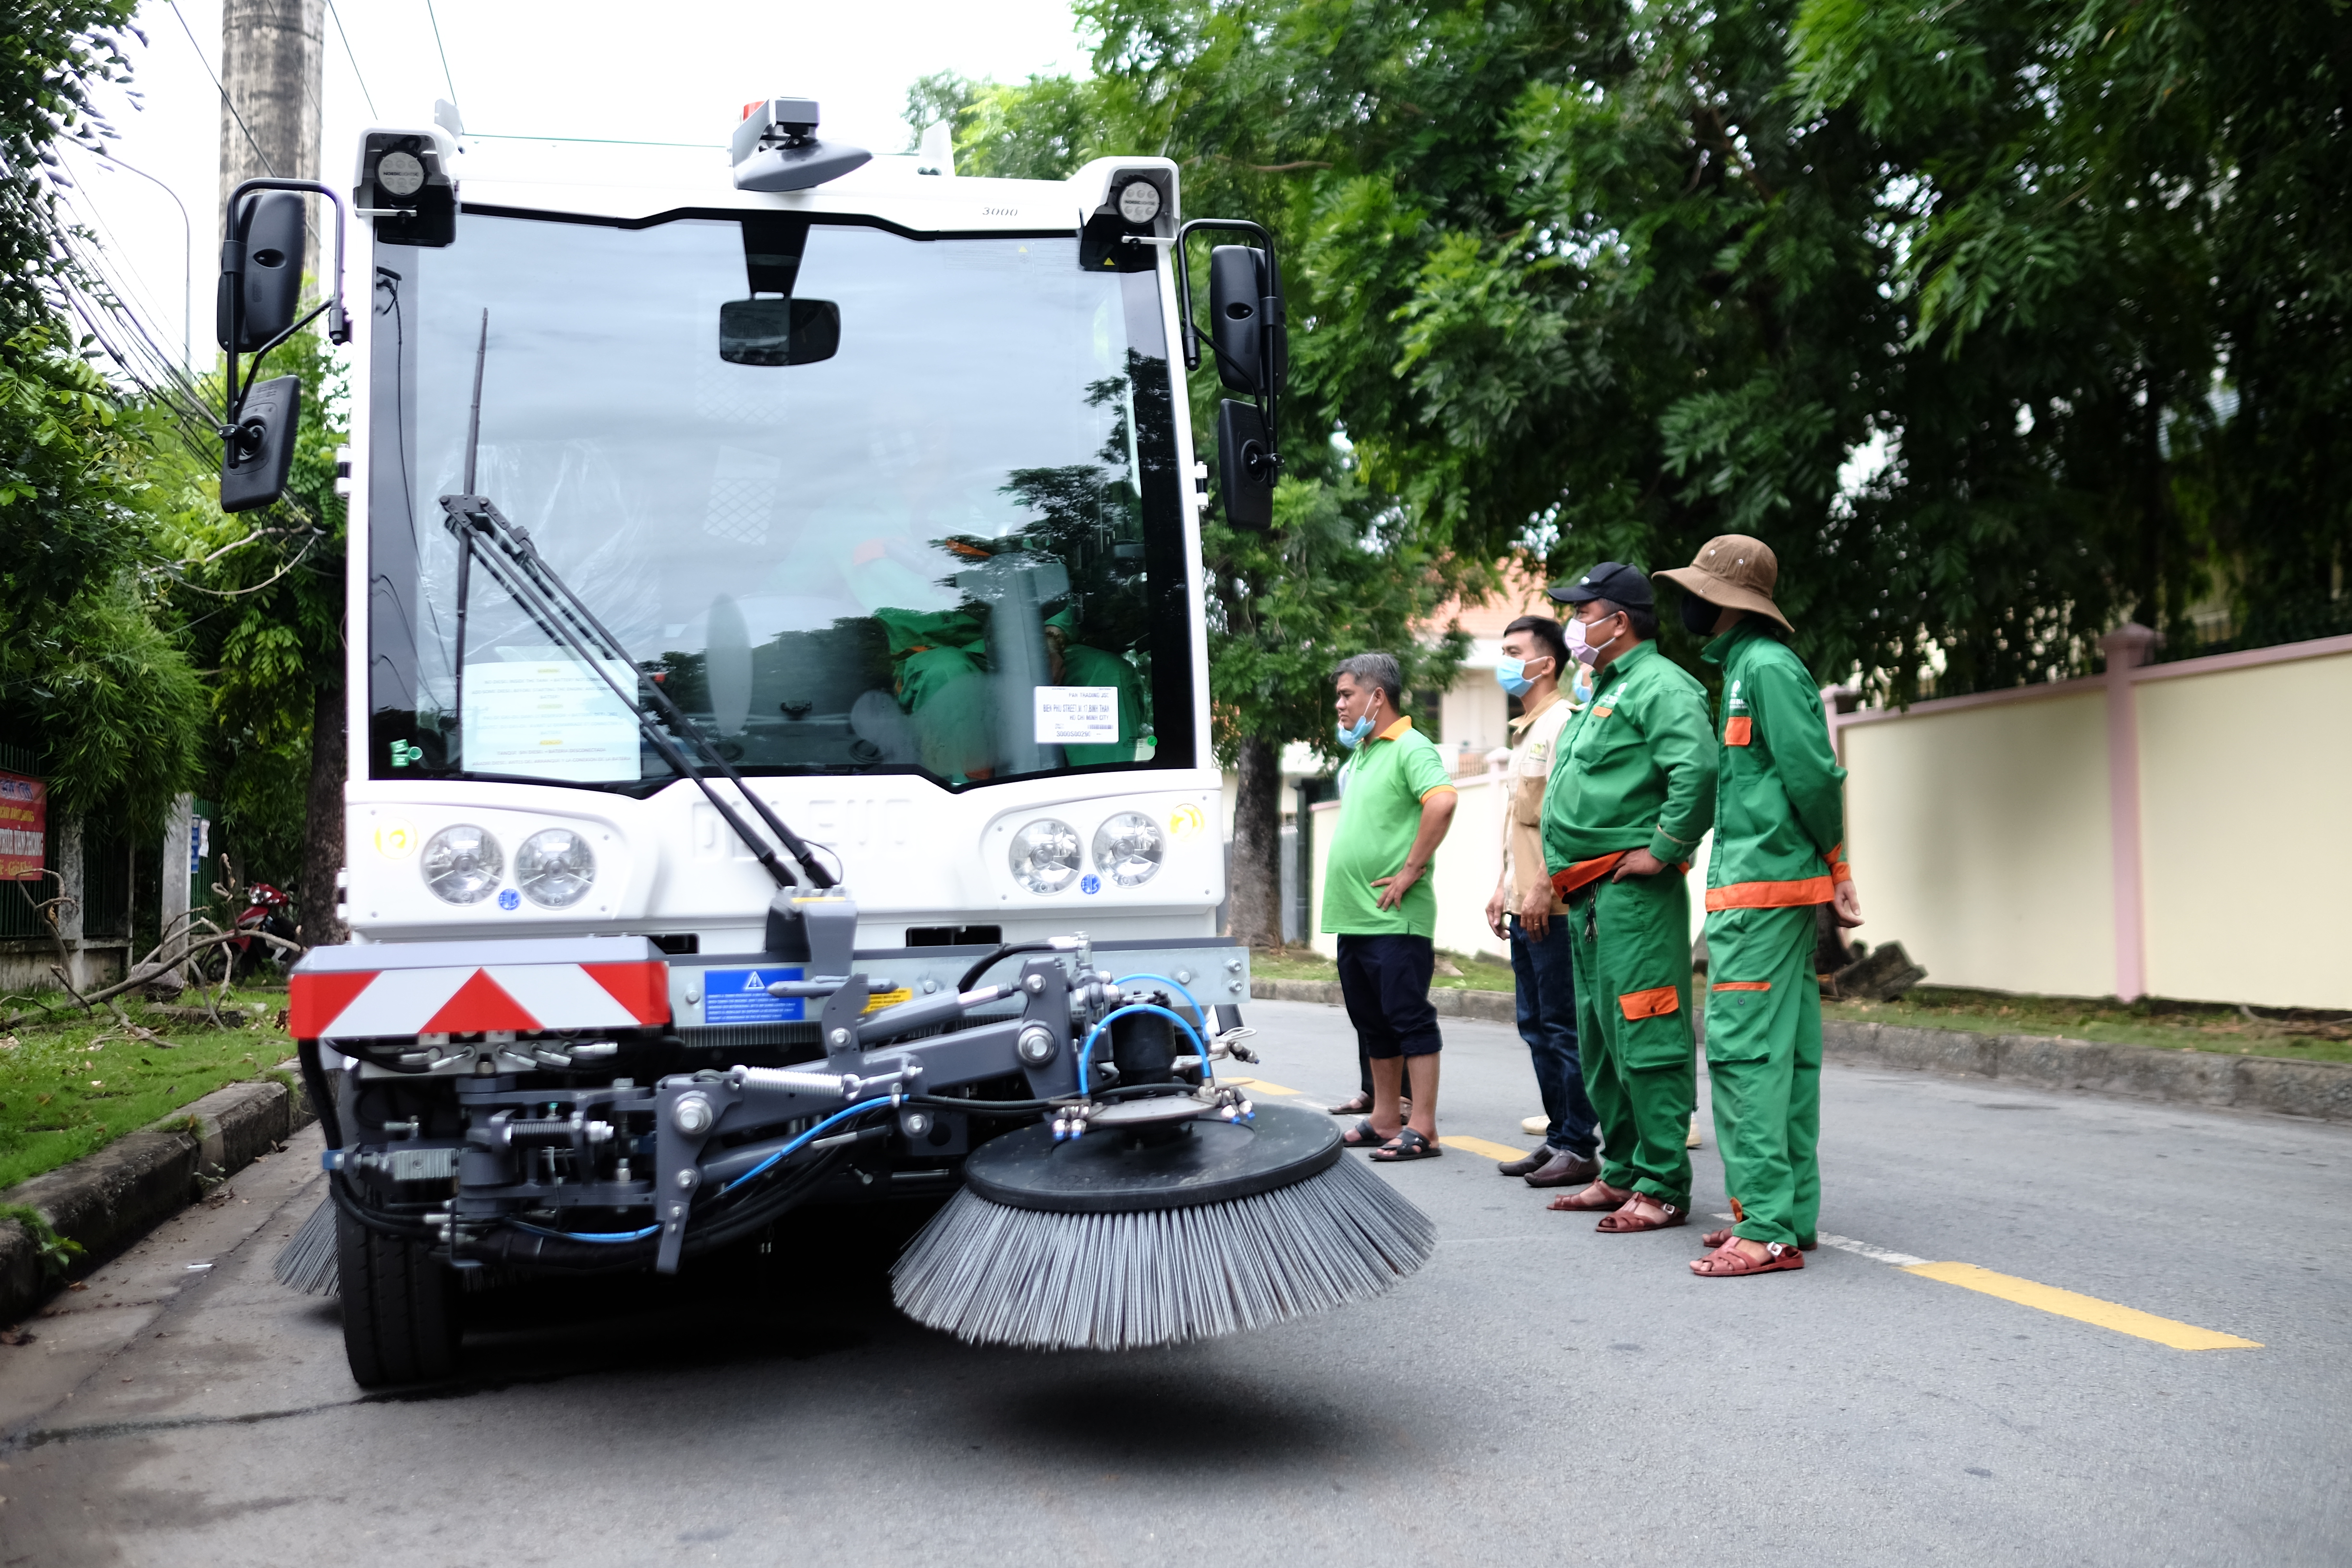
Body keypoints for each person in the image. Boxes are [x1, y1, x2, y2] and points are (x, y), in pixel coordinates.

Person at [1658, 535, 1863, 1278]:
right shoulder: (1746, 668)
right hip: (1764, 892)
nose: (1687, 599)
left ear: (1724, 601)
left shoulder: (1766, 669)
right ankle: (1783, 1216)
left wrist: (1838, 864)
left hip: (1761, 896)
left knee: (1746, 1058)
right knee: (1785, 1058)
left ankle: (1769, 1228)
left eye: (1698, 589)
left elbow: (1814, 776)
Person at [1539, 564, 1718, 1232]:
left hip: (1633, 893)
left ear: (1619, 621)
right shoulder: (1605, 688)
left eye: (1585, 612)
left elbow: (1697, 770)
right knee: (1601, 1039)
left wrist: (1667, 847)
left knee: (1646, 1034)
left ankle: (1665, 1183)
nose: (1576, 625)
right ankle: (1622, 1172)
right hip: (1588, 897)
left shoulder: (1661, 685)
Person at [1320, 651, 1458, 1162]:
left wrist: (1411, 869)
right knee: (1372, 1022)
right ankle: (1383, 1118)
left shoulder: (1410, 746)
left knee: (1408, 1018)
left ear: (1377, 696)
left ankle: (1423, 1126)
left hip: (1394, 917)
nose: (1339, 705)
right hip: (1354, 915)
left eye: (1347, 694)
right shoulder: (1364, 752)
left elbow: (1442, 801)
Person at [1482, 616, 1602, 1188]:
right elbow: (1520, 827)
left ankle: (1580, 1144)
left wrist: (1543, 887)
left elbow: (1565, 820)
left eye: (1513, 651)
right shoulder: (1527, 729)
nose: (1504, 660)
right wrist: (1501, 890)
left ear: (1547, 662)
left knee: (1561, 1027)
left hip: (1550, 907)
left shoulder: (1563, 725)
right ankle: (1559, 1137)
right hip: (1523, 901)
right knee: (1535, 1025)